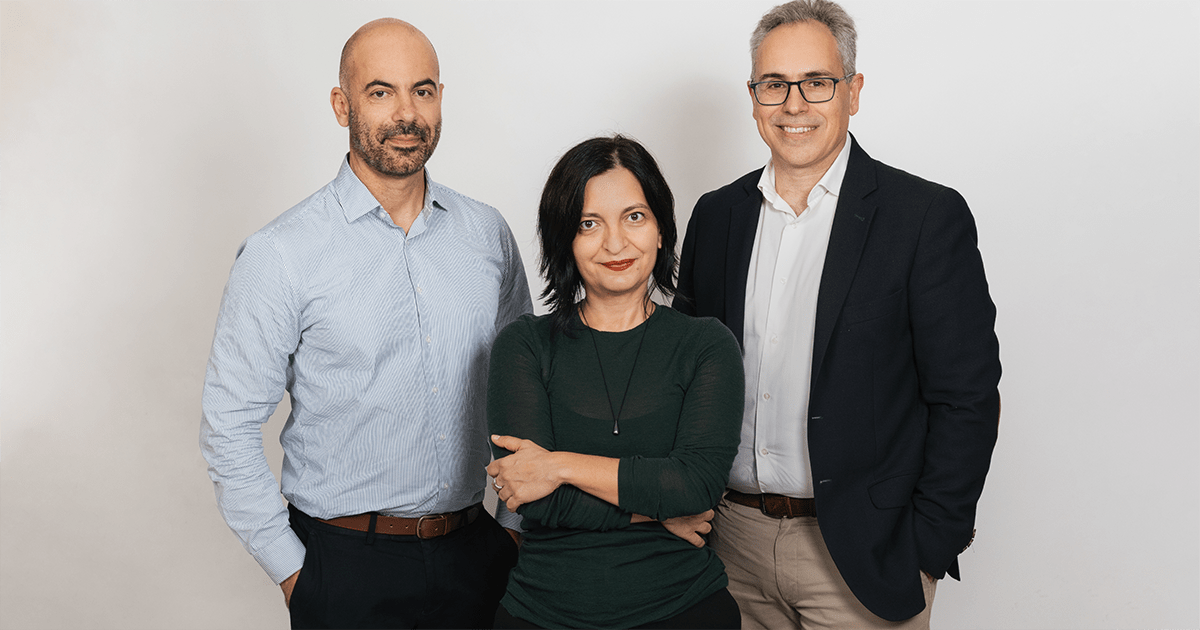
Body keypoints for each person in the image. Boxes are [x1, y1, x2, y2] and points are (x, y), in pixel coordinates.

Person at [673, 1, 1002, 628]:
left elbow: (966, 397)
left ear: (853, 91)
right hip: (729, 548)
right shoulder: (716, 217)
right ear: (753, 97)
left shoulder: (924, 218)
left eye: (817, 82)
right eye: (774, 84)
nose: (794, 104)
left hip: (864, 556)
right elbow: (684, 378)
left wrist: (928, 546)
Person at [199, 18, 530, 628]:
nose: (406, 113)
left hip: (477, 558)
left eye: (422, 90)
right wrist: (297, 575)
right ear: (341, 105)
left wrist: (510, 530)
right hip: (343, 566)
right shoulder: (282, 254)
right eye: (381, 92)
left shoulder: (487, 235)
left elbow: (525, 392)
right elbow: (229, 424)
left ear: (440, 98)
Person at [485, 135, 745, 630]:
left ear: (662, 230)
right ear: (563, 238)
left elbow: (696, 486)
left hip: (685, 610)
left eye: (634, 217)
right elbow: (532, 495)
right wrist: (658, 510)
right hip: (541, 614)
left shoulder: (707, 345)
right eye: (589, 223)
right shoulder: (524, 345)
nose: (615, 243)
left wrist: (558, 465)